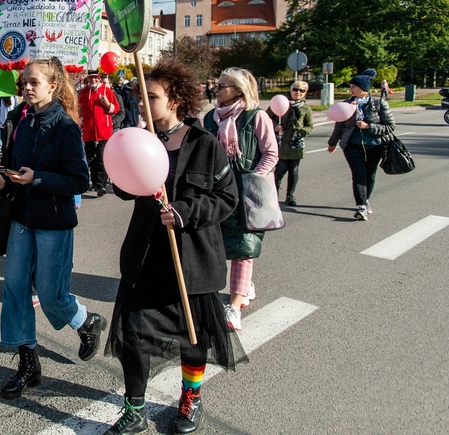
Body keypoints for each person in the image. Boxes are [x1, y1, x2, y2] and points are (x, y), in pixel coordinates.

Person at [105, 59, 242, 435]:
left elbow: (227, 199)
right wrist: (126, 155)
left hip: (192, 259)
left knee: (193, 338)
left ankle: (191, 399)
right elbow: (120, 186)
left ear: (177, 100)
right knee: (133, 335)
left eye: (152, 96)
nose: (143, 102)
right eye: (141, 95)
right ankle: (135, 409)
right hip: (145, 256)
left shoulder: (205, 145)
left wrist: (184, 212)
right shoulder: (140, 138)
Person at [0, 57, 105, 400]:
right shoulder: (22, 123)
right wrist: (2, 181)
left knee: (53, 296)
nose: (25, 87)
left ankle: (86, 322)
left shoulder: (65, 127)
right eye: (23, 82)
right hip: (22, 219)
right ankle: (27, 362)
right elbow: (12, 167)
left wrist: (36, 178)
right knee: (15, 289)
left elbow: (79, 180)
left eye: (33, 82)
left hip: (53, 222)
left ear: (52, 86)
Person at [203, 68, 278, 332]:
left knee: (244, 246)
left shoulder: (256, 116)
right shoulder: (211, 118)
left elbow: (271, 153)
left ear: (238, 89)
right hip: (219, 191)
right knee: (218, 244)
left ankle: (233, 307)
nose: (217, 89)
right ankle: (246, 285)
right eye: (217, 85)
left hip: (248, 193)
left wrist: (251, 181)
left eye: (223, 85)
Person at [328, 69, 395, 221]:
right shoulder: (346, 104)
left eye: (353, 86)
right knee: (359, 174)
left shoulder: (378, 103)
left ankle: (366, 200)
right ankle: (362, 206)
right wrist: (332, 143)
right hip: (352, 145)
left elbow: (390, 126)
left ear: (362, 88)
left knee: (370, 175)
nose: (350, 89)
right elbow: (339, 126)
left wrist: (368, 126)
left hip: (375, 144)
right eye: (350, 86)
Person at [267, 81, 314, 206]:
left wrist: (302, 132)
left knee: (294, 172)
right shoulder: (281, 102)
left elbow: (310, 125)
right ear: (290, 90)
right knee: (280, 171)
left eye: (301, 90)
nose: (298, 92)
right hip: (281, 143)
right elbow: (266, 118)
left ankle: (290, 195)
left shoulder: (305, 108)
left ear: (305, 93)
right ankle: (274, 194)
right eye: (295, 89)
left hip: (296, 144)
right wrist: (276, 126)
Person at [78, 70, 120, 196]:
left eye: (95, 78)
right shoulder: (83, 93)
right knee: (91, 159)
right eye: (91, 78)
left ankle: (102, 185)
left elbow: (116, 108)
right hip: (89, 131)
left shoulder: (107, 91)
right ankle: (95, 183)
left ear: (99, 78)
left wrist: (107, 104)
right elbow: (79, 110)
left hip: (104, 131)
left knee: (101, 158)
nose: (93, 80)